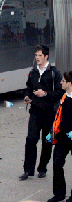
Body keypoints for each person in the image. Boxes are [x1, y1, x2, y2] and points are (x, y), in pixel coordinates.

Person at [20, 45, 63, 181]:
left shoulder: (54, 73)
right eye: (36, 55)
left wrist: (44, 93)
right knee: (31, 140)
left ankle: (42, 168)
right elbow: (28, 88)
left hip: (50, 113)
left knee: (47, 141)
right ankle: (28, 170)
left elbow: (59, 93)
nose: (37, 58)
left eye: (40, 55)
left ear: (46, 57)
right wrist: (27, 97)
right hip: (35, 112)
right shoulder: (33, 72)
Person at [46, 71, 72, 202]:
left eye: (63, 81)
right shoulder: (63, 97)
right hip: (62, 137)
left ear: (70, 84)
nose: (61, 82)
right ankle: (59, 193)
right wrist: (52, 132)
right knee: (57, 163)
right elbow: (57, 117)